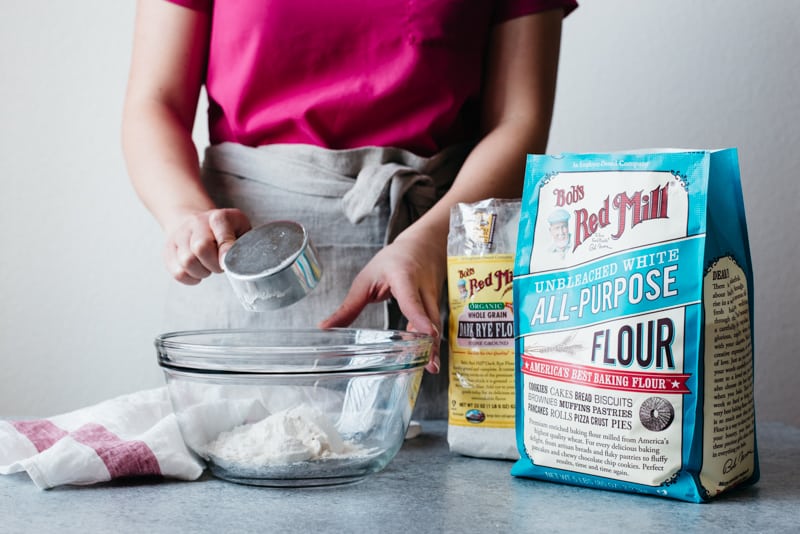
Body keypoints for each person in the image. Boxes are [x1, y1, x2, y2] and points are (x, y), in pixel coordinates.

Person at [121, 0, 577, 417]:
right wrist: (185, 214)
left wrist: (431, 244)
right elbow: (155, 102)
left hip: (439, 259)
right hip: (248, 266)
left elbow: (519, 120)